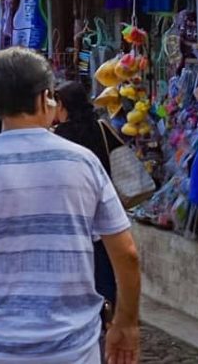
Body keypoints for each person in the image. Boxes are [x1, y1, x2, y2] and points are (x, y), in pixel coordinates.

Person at [0, 48, 140, 364]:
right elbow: (126, 253)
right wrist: (125, 322)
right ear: (45, 98)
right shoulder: (84, 163)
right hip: (73, 349)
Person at [54, 80, 119, 307]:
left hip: (72, 210)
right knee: (104, 265)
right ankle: (108, 308)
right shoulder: (101, 128)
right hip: (101, 206)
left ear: (63, 105)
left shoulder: (59, 136)